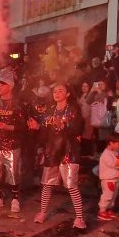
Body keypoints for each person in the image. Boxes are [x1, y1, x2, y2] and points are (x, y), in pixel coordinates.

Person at [29, 83, 87, 229]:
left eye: (60, 91)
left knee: (71, 186)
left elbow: (78, 129)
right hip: (52, 152)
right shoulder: (50, 111)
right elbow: (44, 134)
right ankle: (42, 212)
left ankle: (79, 218)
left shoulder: (73, 110)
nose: (57, 93)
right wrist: (37, 128)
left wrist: (63, 126)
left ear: (67, 94)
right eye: (54, 91)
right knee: (47, 184)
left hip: (68, 152)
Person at [0, 71, 25, 212]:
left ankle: (15, 199)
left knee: (13, 173)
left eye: (2, 84)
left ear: (10, 86)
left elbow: (23, 126)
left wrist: (8, 127)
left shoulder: (17, 104)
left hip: (12, 144)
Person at [97, 133, 119, 221]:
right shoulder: (106, 154)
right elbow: (114, 164)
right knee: (107, 195)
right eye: (118, 144)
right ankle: (102, 210)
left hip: (114, 178)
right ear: (111, 143)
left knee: (113, 195)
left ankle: (108, 209)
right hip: (108, 179)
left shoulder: (113, 152)